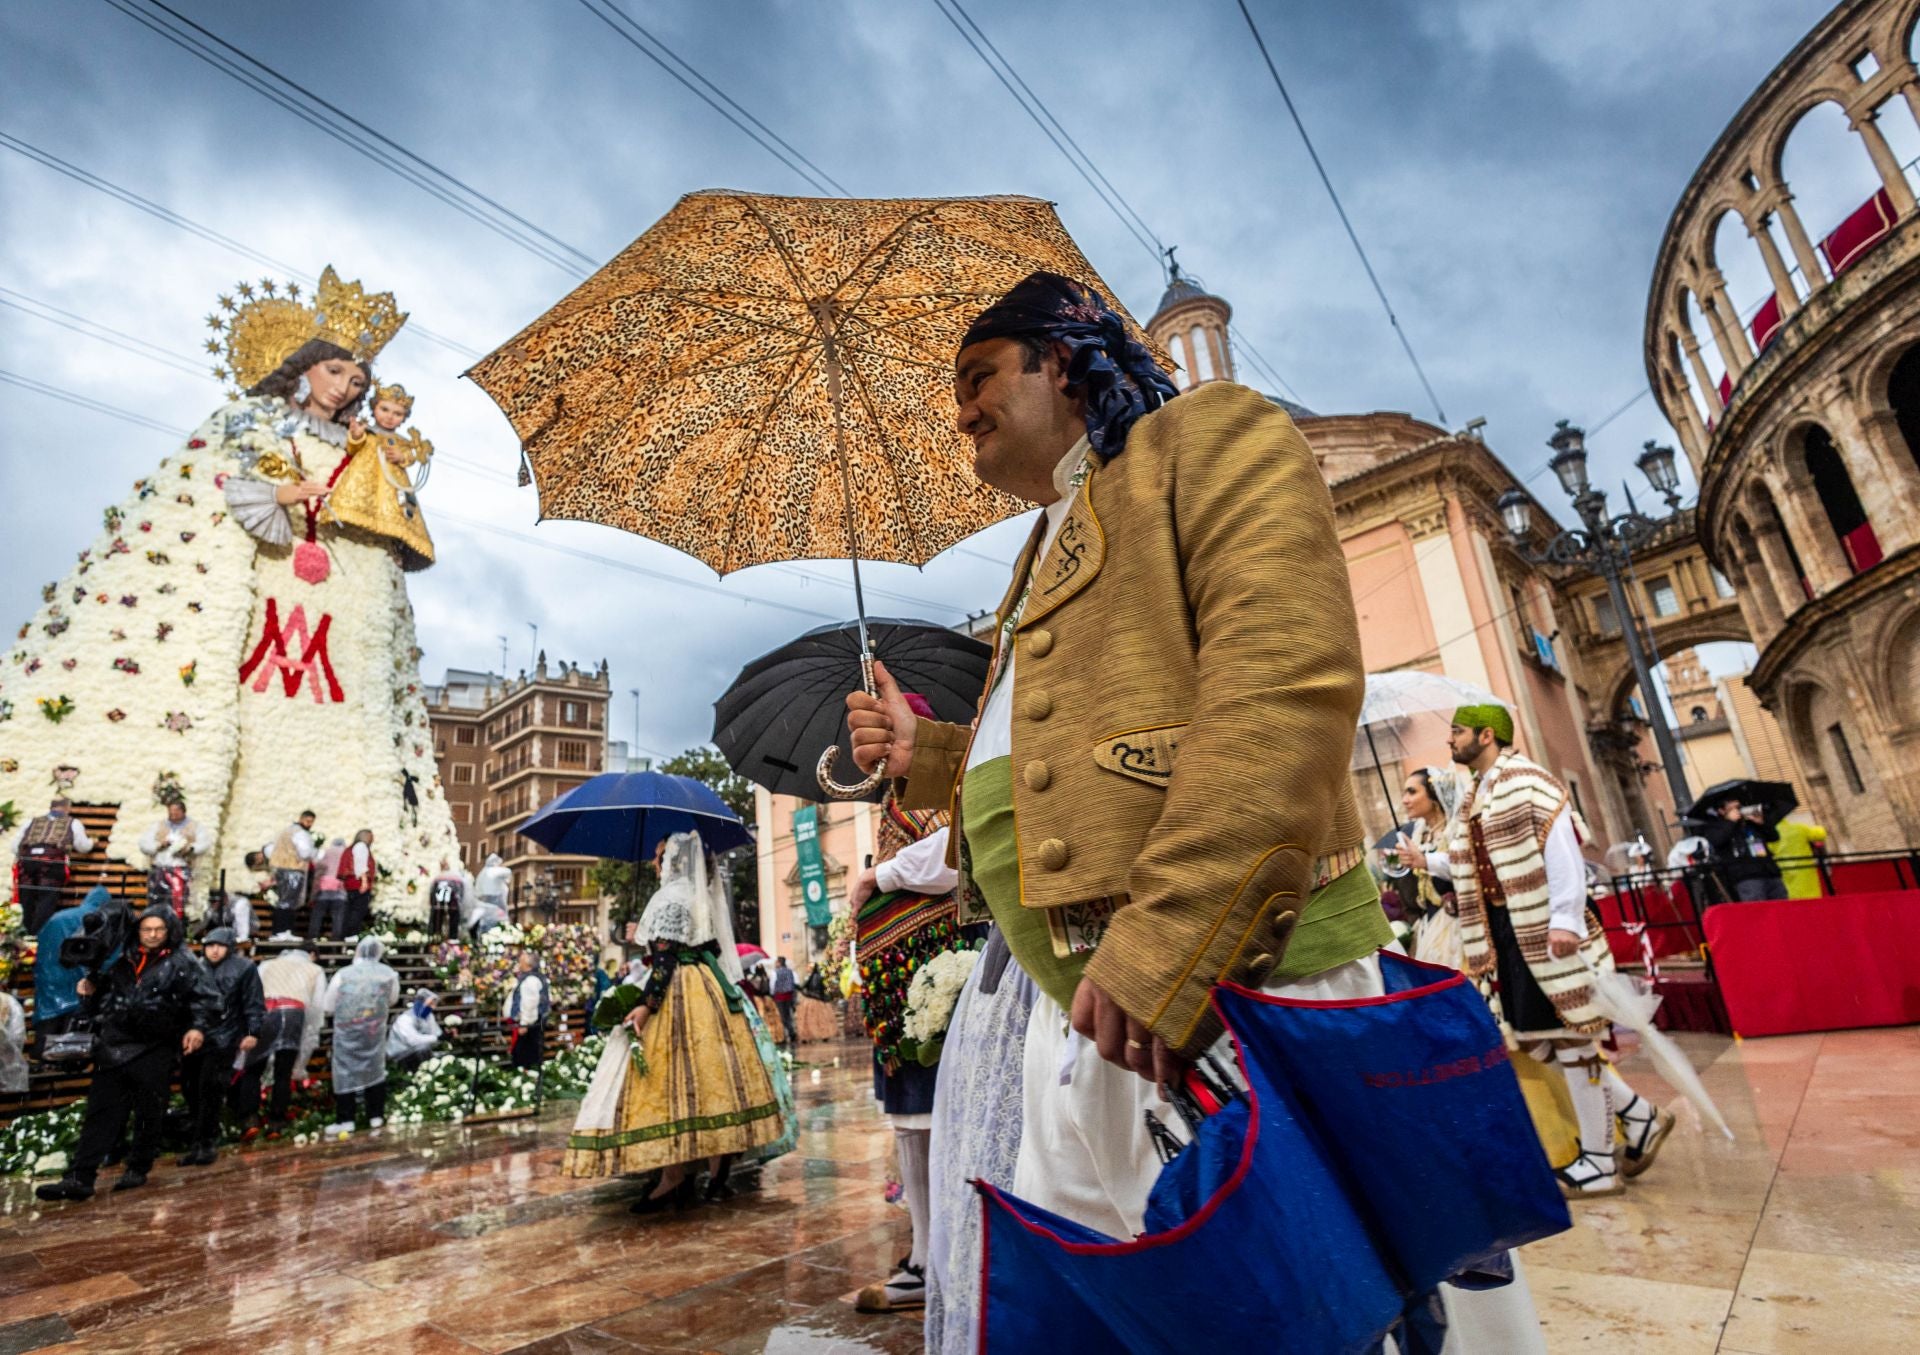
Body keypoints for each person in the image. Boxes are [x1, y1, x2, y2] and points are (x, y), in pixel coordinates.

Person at [848, 272, 1547, 1349]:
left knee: (1293, 1306)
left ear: (1066, 363)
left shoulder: (1213, 437)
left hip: (1231, 979)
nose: (963, 410)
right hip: (1080, 999)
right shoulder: (1045, 541)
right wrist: (928, 752)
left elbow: (1285, 680)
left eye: (979, 376)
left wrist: (1176, 936)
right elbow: (1058, 753)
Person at [1439, 704, 1674, 1199]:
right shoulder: (1475, 795)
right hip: (1505, 930)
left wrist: (1566, 919)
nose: (1450, 741)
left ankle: (1598, 1162)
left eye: (1457, 732)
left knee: (1571, 1039)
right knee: (1536, 1038)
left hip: (1543, 926)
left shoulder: (1528, 781)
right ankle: (1640, 1116)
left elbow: (1561, 851)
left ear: (1486, 735)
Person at [563, 831, 787, 1210]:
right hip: (710, 988)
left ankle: (674, 1177)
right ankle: (717, 1175)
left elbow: (665, 962)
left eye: (660, 857)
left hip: (679, 991)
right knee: (714, 1079)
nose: (655, 864)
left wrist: (647, 1006)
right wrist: (648, 939)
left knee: (671, 1081)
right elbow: (704, 946)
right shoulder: (702, 895)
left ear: (674, 860)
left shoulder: (668, 896)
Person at [846, 791, 969, 1315]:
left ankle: (952, 1252)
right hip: (899, 990)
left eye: (889, 738)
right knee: (909, 1124)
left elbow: (958, 856)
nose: (877, 755)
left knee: (945, 1122)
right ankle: (923, 1252)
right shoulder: (893, 807)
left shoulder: (942, 789)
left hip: (939, 968)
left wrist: (881, 876)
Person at [36, 906, 218, 1202]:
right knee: (100, 1112)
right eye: (147, 929)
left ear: (170, 930)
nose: (153, 935)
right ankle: (79, 1178)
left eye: (159, 929)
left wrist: (197, 1028)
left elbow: (207, 999)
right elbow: (104, 1002)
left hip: (155, 1047)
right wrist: (90, 990)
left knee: (149, 1112)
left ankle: (138, 1166)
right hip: (113, 1045)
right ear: (138, 931)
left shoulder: (184, 961)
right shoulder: (121, 959)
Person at [179, 926, 265, 1166]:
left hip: (225, 1038)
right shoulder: (196, 967)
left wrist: (252, 1032)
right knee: (191, 1089)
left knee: (210, 1090)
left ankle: (206, 1144)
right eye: (209, 945)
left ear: (229, 947)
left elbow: (253, 1002)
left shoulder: (244, 968)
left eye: (219, 945)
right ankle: (198, 1143)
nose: (214, 950)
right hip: (195, 1038)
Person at [322, 935, 400, 1137]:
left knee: (345, 1071)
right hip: (374, 1031)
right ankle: (376, 1115)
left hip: (347, 1032)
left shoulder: (344, 974)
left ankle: (346, 1119)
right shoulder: (388, 974)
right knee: (375, 1067)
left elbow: (328, 1004)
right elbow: (392, 999)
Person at [1390, 766, 1466, 970]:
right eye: (1405, 792)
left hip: (1457, 923)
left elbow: (1463, 866)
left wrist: (1424, 860)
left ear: (1434, 795)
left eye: (1412, 792)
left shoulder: (1456, 830)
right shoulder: (1418, 835)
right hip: (1428, 923)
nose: (1405, 799)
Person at [252, 946, 328, 1137]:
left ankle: (248, 1120)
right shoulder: (315, 970)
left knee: (253, 1068)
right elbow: (317, 1006)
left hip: (264, 1012)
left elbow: (254, 992)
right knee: (283, 1072)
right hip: (293, 1014)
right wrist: (310, 1031)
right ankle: (276, 1123)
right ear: (311, 955)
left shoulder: (267, 964)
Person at [32, 881, 118, 1043]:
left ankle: (41, 1057)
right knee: (77, 1024)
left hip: (51, 977)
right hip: (84, 980)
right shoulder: (104, 922)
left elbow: (43, 946)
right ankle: (72, 1058)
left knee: (49, 1016)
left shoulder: (58, 918)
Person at [14, 797, 93, 934]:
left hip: (27, 863)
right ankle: (38, 935)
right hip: (52, 864)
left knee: (26, 900)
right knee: (46, 901)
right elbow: (83, 847)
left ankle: (23, 935)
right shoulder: (73, 823)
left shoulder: (31, 822)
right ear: (67, 808)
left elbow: (14, 846)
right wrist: (93, 842)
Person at [1698, 796, 1788, 902]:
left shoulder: (1749, 822)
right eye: (1731, 806)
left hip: (1769, 871)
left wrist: (1762, 823)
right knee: (1758, 910)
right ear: (1721, 811)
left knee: (1782, 908)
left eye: (1739, 806)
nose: (1738, 808)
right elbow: (1716, 841)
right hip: (1746, 876)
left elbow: (1774, 837)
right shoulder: (1716, 826)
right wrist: (1730, 822)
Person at [136, 799, 209, 921]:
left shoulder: (195, 826)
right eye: (170, 812)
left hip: (181, 870)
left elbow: (204, 844)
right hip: (159, 869)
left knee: (177, 900)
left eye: (176, 812)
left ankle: (176, 924)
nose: (173, 815)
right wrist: (159, 845)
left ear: (183, 811)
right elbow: (143, 843)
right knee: (157, 899)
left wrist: (190, 849)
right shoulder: (158, 825)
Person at [266, 812, 320, 941]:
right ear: (301, 819)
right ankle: (282, 931)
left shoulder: (288, 830)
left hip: (282, 869)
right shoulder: (300, 833)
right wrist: (315, 851)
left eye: (311, 821)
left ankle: (282, 931)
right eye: (308, 820)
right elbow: (305, 853)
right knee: (288, 901)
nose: (309, 824)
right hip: (293, 870)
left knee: (284, 900)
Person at [502, 950, 550, 1070]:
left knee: (524, 1057)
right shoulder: (530, 978)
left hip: (529, 1026)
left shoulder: (531, 980)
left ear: (528, 964)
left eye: (521, 961)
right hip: (528, 1025)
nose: (519, 963)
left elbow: (530, 1004)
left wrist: (525, 1024)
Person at [1771, 818, 1830, 900]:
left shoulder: (1769, 836)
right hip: (1805, 870)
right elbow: (1821, 833)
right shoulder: (1799, 828)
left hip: (1784, 873)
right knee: (1813, 901)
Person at [387, 988, 442, 1073]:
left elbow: (436, 1033)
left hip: (417, 1054)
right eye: (430, 1004)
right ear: (421, 1003)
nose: (433, 1007)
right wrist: (435, 1038)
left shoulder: (428, 1017)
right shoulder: (405, 1019)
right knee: (423, 1048)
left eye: (434, 1005)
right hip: (399, 1056)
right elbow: (413, 1040)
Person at [307, 837, 349, 942]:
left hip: (323, 888)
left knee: (317, 915)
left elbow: (316, 864)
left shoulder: (325, 851)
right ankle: (336, 940)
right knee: (338, 918)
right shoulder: (346, 853)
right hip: (340, 889)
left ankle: (312, 937)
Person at [339, 829, 377, 939]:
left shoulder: (353, 848)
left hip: (351, 884)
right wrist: (364, 882)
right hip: (358, 884)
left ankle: (347, 935)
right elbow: (360, 866)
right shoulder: (361, 846)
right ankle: (352, 935)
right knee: (357, 911)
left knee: (350, 911)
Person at [470, 853, 512, 936]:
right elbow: (508, 872)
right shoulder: (495, 870)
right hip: (495, 902)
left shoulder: (481, 874)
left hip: (481, 904)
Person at [428, 866, 469, 940]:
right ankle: (453, 937)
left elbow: (432, 892)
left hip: (439, 901)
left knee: (438, 916)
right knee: (454, 917)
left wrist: (432, 902)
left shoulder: (438, 878)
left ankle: (436, 935)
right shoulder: (457, 878)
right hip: (454, 901)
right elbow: (462, 892)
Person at [768, 954, 798, 1045]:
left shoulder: (775, 972)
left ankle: (784, 1034)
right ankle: (791, 1031)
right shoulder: (791, 971)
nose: (775, 964)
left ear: (779, 963)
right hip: (789, 995)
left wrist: (772, 994)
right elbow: (795, 982)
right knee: (788, 1014)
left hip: (779, 995)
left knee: (781, 1015)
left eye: (776, 962)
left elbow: (772, 985)